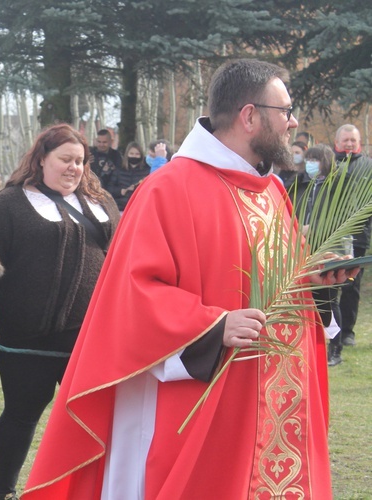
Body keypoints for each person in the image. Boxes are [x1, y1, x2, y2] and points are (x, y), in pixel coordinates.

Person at [23, 59, 355, 499]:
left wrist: (316, 278)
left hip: (273, 400)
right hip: (202, 402)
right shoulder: (169, 189)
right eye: (286, 111)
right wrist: (214, 325)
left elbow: (275, 280)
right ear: (250, 116)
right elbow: (133, 295)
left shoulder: (273, 192)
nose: (293, 122)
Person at [0, 123, 120, 500]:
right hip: (25, 338)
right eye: (65, 159)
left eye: (79, 161)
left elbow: (123, 259)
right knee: (22, 413)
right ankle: (4, 493)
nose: (73, 168)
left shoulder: (102, 202)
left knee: (94, 420)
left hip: (89, 337)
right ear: (41, 158)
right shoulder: (8, 204)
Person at [302, 145, 346, 366]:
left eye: (314, 159)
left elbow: (340, 218)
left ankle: (335, 347)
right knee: (316, 299)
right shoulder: (309, 185)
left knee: (329, 299)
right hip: (310, 248)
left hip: (331, 248)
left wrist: (313, 228)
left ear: (325, 161)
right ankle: (319, 344)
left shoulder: (336, 185)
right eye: (308, 159)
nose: (309, 163)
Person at [333, 124, 372, 347]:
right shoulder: (329, 164)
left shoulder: (368, 166)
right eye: (345, 140)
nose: (349, 144)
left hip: (358, 236)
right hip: (331, 236)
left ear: (359, 143)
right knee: (328, 284)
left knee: (351, 284)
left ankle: (347, 331)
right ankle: (329, 331)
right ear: (337, 143)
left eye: (353, 140)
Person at [105, 141, 149, 212]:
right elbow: (109, 188)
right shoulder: (119, 170)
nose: (134, 156)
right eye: (131, 153)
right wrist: (120, 191)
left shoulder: (146, 171)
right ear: (127, 154)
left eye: (137, 154)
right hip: (120, 207)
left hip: (139, 208)